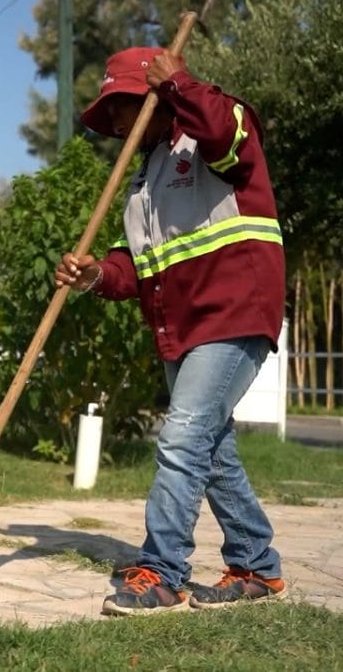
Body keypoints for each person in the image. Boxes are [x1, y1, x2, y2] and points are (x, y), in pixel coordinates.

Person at [55, 47, 286, 615]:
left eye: (123, 106)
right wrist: (94, 275)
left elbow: (225, 137)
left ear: (157, 97)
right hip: (180, 329)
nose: (112, 121)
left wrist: (182, 82)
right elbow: (139, 266)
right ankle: (257, 568)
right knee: (211, 450)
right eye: (107, 111)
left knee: (183, 437)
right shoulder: (143, 181)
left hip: (233, 313)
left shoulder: (216, 129)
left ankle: (162, 571)